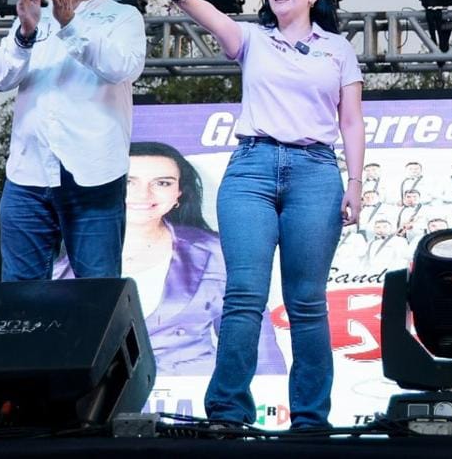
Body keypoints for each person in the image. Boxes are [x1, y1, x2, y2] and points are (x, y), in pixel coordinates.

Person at [149, 0, 364, 430]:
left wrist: (355, 182)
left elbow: (351, 121)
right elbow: (211, 18)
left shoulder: (338, 49)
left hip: (315, 172)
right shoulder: (253, 38)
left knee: (307, 301)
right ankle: (228, 412)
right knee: (244, 294)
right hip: (252, 169)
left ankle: (310, 418)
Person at [0, 0, 146, 281]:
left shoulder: (123, 17)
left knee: (96, 296)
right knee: (19, 297)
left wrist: (70, 24)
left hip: (93, 176)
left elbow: (121, 67)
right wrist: (25, 35)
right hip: (28, 175)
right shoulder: (34, 16)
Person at [55, 142, 285, 377]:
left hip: (190, 389)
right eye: (129, 182)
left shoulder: (215, 250)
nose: (144, 195)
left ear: (179, 193)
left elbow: (255, 343)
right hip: (92, 389)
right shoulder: (61, 255)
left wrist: (271, 391)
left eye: (162, 183)